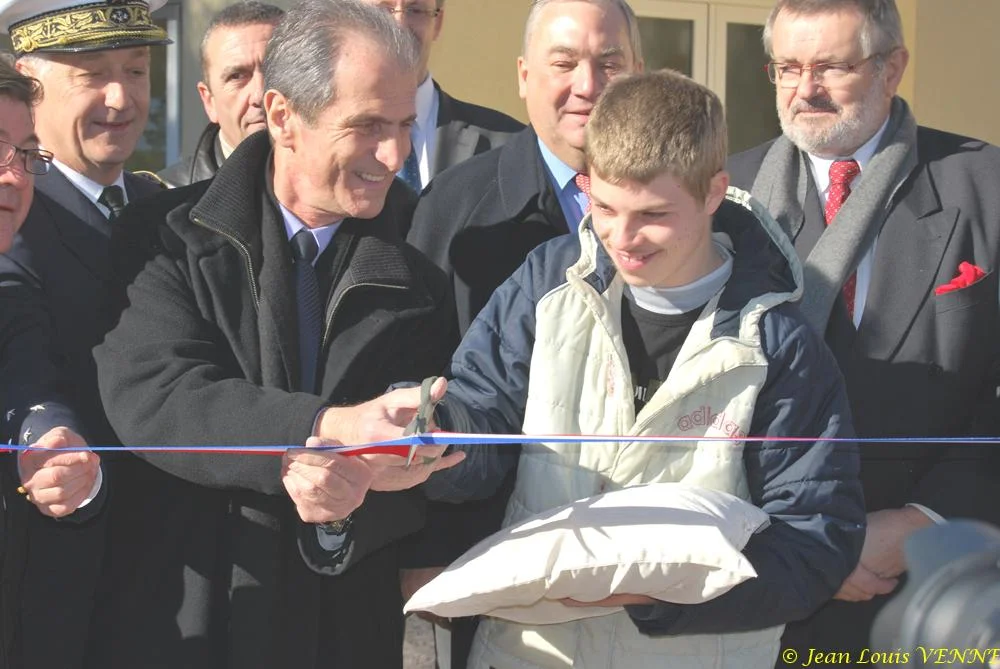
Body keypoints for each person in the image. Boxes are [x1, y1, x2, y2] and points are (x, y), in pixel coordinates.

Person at [342, 68, 865, 669]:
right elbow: (480, 415)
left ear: (714, 192)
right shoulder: (547, 281)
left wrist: (659, 595)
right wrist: (428, 437)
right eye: (605, 206)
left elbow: (814, 544)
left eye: (652, 214)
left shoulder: (779, 344)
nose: (623, 236)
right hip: (526, 652)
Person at [91, 1, 461, 667]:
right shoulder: (162, 237)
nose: (395, 153)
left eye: (405, 125)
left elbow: (427, 469)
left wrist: (356, 495)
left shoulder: (422, 258)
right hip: (187, 619)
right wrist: (323, 429)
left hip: (343, 632)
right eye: (368, 126)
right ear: (284, 116)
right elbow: (155, 396)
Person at [726, 0, 1000, 658]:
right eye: (786, 67)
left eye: (830, 66)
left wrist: (918, 523)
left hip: (927, 588)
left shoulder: (985, 188)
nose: (804, 89)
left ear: (893, 67)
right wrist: (799, 539)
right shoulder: (726, 196)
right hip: (759, 583)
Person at [401, 3, 643, 664]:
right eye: (564, 63)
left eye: (610, 62)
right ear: (524, 76)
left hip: (645, 568)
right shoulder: (455, 208)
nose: (589, 84)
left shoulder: (684, 207)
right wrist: (423, 558)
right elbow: (426, 388)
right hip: (487, 574)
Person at [0, 1, 170, 666]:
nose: (120, 97)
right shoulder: (16, 220)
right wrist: (50, 433)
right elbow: (26, 360)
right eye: (92, 74)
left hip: (169, 597)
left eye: (136, 69)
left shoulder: (168, 210)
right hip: (55, 608)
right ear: (27, 81)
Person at [0, 57, 106, 669]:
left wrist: (60, 452)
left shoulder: (11, 295)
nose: (14, 178)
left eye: (28, 155)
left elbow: (34, 388)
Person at [363, 0, 523, 197]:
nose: (399, 25)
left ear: (437, 23)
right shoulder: (324, 137)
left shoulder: (510, 146)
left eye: (416, 10)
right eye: (382, 10)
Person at [158, 1, 284, 187]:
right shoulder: (165, 202)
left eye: (275, 69)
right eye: (237, 76)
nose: (259, 95)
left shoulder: (340, 192)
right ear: (209, 101)